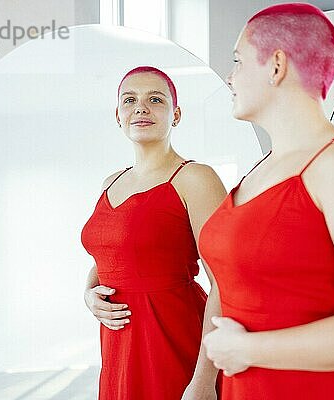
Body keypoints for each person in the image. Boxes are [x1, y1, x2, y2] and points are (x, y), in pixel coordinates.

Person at [192, 4, 334, 399]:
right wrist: (201, 384)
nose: (229, 77)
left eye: (237, 61)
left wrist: (248, 349)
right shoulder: (262, 170)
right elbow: (227, 285)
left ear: (276, 65)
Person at [80, 66, 226, 400]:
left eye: (155, 99)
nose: (141, 107)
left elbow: (224, 282)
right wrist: (89, 295)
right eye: (129, 99)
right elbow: (110, 257)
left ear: (176, 114)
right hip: (119, 347)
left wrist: (203, 381)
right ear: (118, 115)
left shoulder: (194, 178)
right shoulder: (111, 182)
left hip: (172, 339)